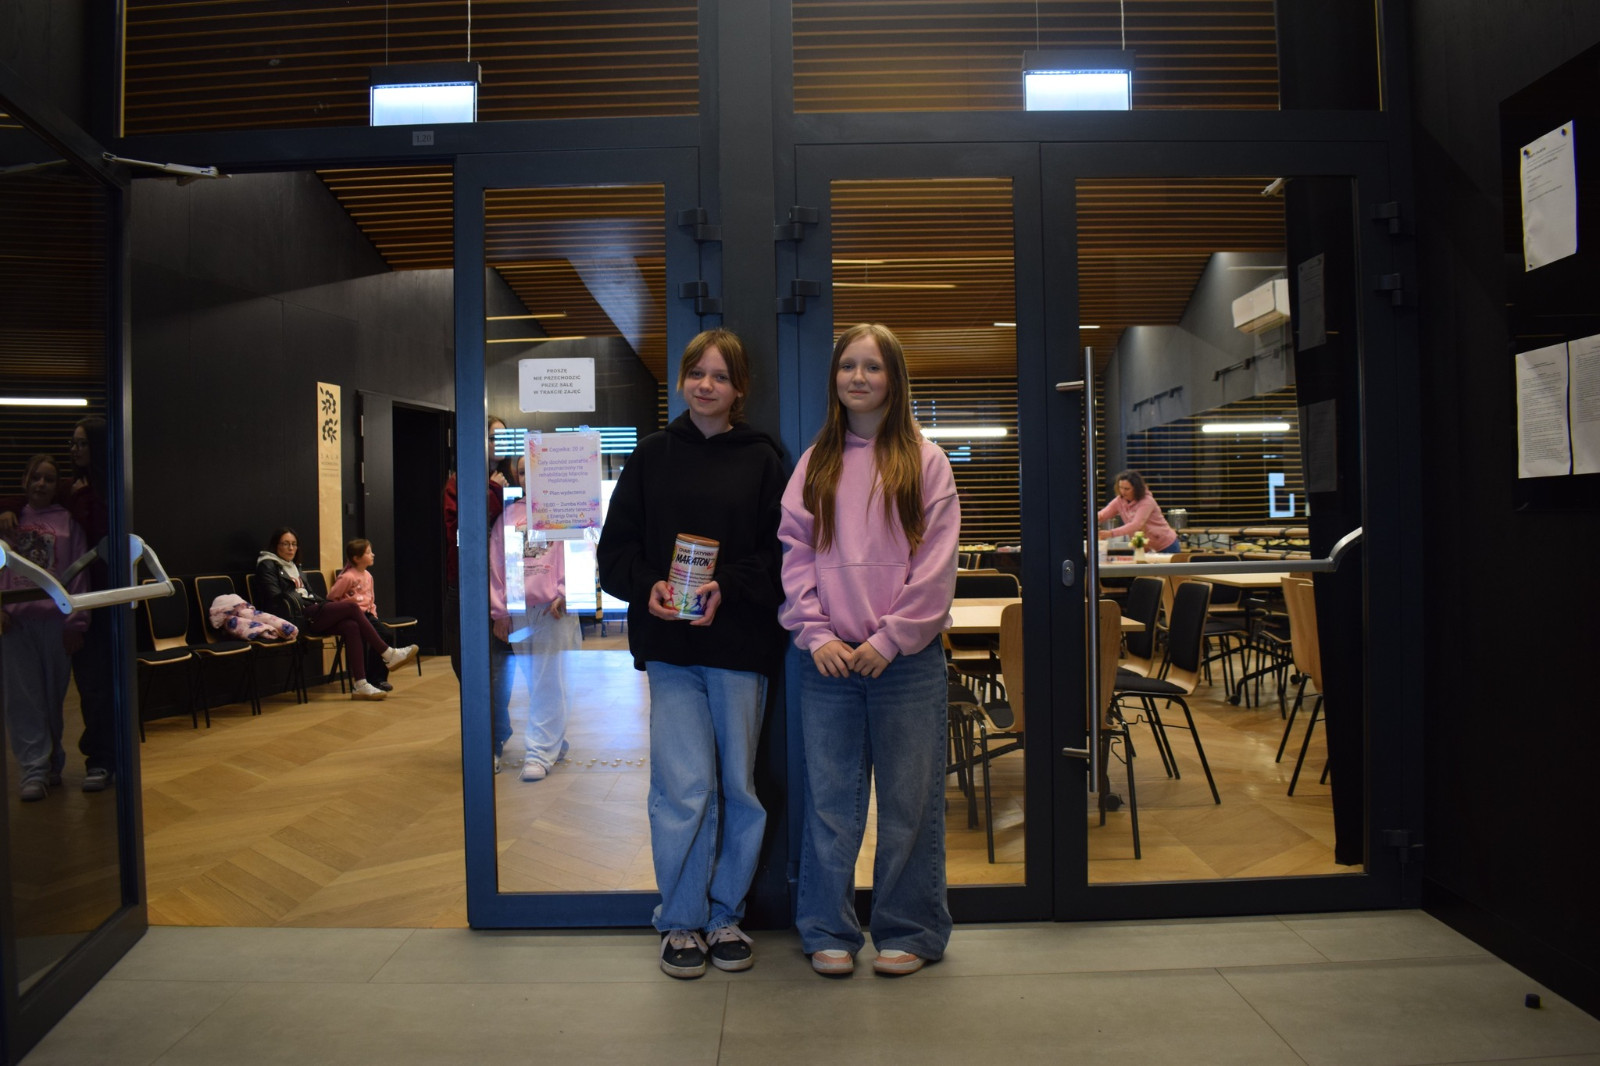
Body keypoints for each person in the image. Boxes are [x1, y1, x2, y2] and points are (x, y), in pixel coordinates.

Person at [597, 328, 786, 980]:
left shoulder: (764, 460)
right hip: (672, 649)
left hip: (740, 648)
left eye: (720, 376)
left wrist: (726, 585)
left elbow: (783, 558)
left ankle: (725, 915)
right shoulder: (652, 455)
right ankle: (680, 920)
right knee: (681, 788)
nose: (707, 385)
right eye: (697, 373)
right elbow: (614, 553)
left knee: (738, 788)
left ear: (739, 389)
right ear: (682, 380)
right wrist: (648, 584)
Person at [778, 322, 960, 978]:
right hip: (828, 663)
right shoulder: (815, 463)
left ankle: (911, 929)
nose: (858, 377)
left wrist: (890, 639)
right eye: (848, 365)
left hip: (906, 664)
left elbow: (936, 567)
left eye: (873, 366)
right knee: (831, 804)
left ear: (894, 379)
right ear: (834, 378)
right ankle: (827, 928)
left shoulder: (926, 461)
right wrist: (816, 633)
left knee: (911, 804)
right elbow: (796, 556)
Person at [1, 455, 89, 801]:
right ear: (25, 480)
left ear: (56, 486)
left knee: (52, 698)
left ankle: (52, 763)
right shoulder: (9, 520)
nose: (41, 484)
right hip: (16, 625)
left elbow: (79, 574)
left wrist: (76, 622)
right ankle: (32, 770)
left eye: (49, 479)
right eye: (35, 477)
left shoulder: (68, 523)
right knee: (23, 700)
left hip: (55, 624)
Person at [253, 527, 416, 700]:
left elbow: (309, 593)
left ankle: (360, 684)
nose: (291, 548)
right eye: (286, 544)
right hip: (295, 616)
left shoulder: (294, 566)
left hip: (311, 610)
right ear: (276, 545)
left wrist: (320, 604)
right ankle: (388, 654)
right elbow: (275, 597)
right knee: (352, 607)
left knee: (351, 626)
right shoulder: (267, 564)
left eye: (294, 544)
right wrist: (314, 603)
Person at [488, 478, 580, 781]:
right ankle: (552, 740)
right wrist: (500, 611)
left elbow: (581, 551)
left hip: (554, 610)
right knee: (537, 682)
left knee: (550, 681)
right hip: (519, 610)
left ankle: (539, 751)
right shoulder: (509, 516)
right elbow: (496, 566)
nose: (529, 475)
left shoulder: (566, 510)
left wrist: (568, 592)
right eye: (522, 469)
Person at [443, 416, 511, 681]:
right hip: (468, 583)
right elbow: (463, 533)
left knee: (501, 671)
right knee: (468, 666)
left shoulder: (509, 479)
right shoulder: (460, 482)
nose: (500, 443)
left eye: (505, 438)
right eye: (494, 438)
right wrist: (493, 490)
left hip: (503, 585)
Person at [328, 538, 396, 692]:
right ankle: (373, 679)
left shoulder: (368, 576)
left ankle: (378, 678)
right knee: (380, 636)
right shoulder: (347, 577)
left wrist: (374, 615)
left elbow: (371, 600)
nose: (373, 555)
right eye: (368, 552)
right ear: (356, 558)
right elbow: (332, 597)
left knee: (385, 635)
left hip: (367, 615)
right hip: (353, 616)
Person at [1096, 470, 1180, 553]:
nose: (1123, 492)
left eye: (1127, 489)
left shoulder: (1147, 501)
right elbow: (1102, 515)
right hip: (1145, 547)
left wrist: (1111, 533)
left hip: (1166, 545)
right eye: (1120, 487)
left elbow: (1136, 525)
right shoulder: (1119, 501)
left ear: (1136, 489)